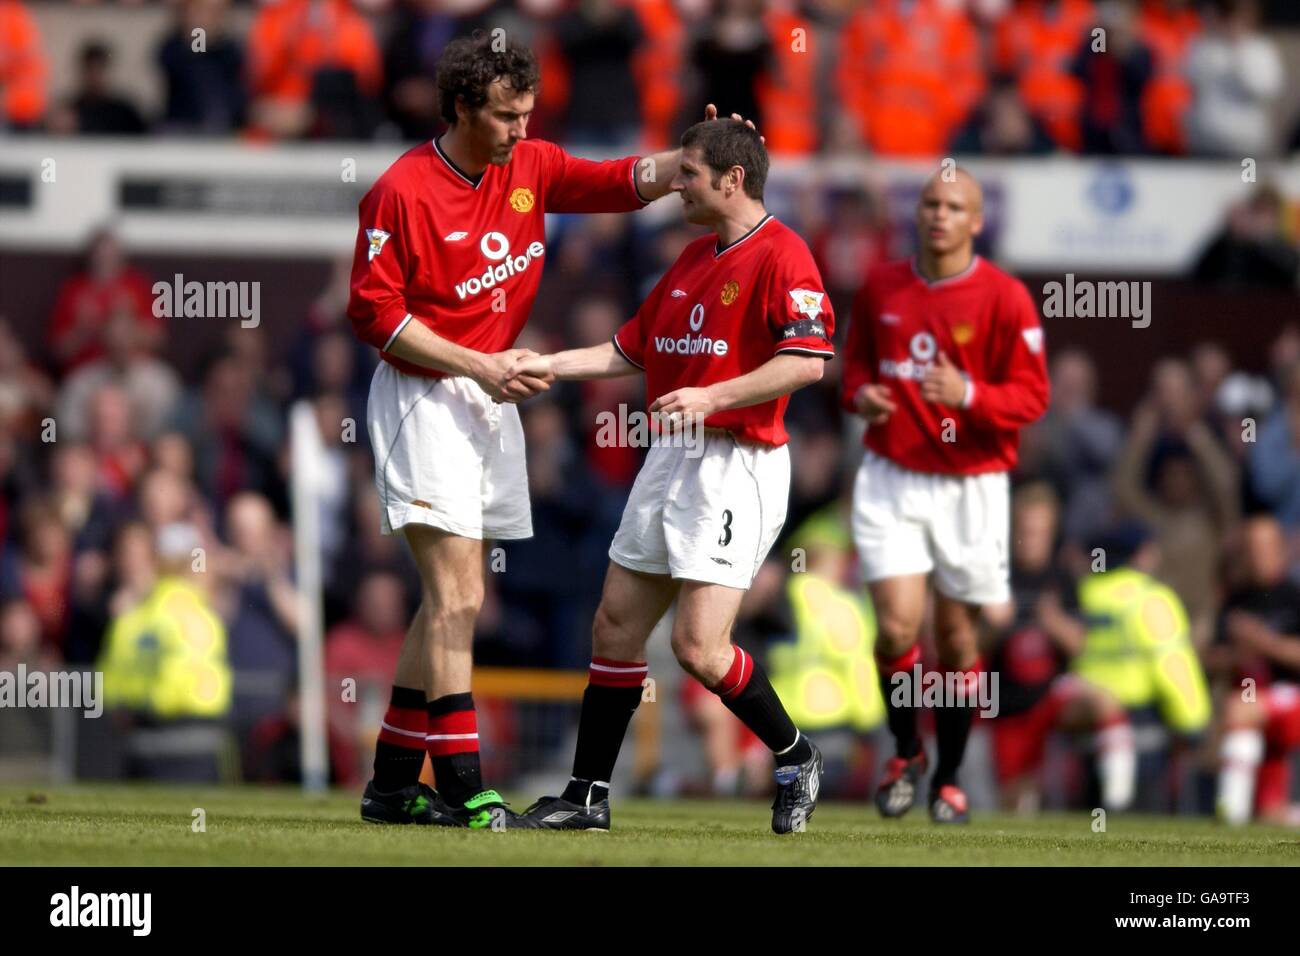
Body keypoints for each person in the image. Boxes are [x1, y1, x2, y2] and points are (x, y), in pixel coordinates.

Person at [347, 31, 743, 827]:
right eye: (504, 117)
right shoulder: (401, 189)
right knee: (458, 592)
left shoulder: (528, 166)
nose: (521, 131)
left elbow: (619, 181)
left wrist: (695, 154)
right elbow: (373, 310)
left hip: (488, 400)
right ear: (461, 107)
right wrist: (475, 363)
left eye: (527, 113)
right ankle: (461, 779)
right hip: (425, 399)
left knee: (448, 598)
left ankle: (392, 784)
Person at [509, 118, 834, 833]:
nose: (674, 184)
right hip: (673, 459)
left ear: (732, 179)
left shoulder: (785, 254)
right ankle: (586, 795)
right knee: (615, 626)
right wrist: (547, 365)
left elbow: (807, 360)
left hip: (738, 463)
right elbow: (630, 349)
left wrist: (713, 395)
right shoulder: (690, 259)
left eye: (687, 173)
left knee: (698, 649)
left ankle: (796, 754)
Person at [841, 166, 1050, 823]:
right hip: (892, 475)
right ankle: (907, 750)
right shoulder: (881, 283)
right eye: (931, 203)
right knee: (897, 627)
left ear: (976, 221)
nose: (939, 215)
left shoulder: (1006, 297)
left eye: (954, 206)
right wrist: (861, 396)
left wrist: (970, 396)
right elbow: (854, 366)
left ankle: (952, 778)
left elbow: (1033, 395)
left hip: (971, 485)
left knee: (958, 640)